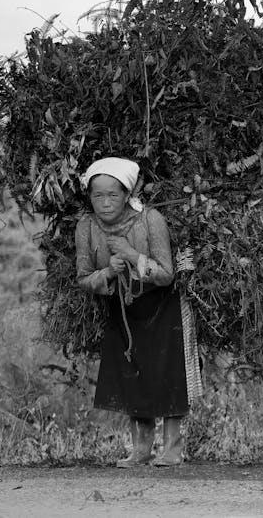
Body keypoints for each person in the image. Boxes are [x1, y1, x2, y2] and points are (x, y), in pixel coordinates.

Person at [75, 157, 189, 467]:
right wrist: (108, 274)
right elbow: (83, 276)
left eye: (113, 194)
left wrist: (131, 255)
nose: (106, 203)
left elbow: (167, 274)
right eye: (98, 195)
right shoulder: (86, 226)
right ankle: (140, 449)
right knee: (132, 374)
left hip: (162, 306)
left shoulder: (150, 220)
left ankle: (172, 449)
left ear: (127, 194)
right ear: (89, 197)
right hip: (122, 308)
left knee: (166, 373)